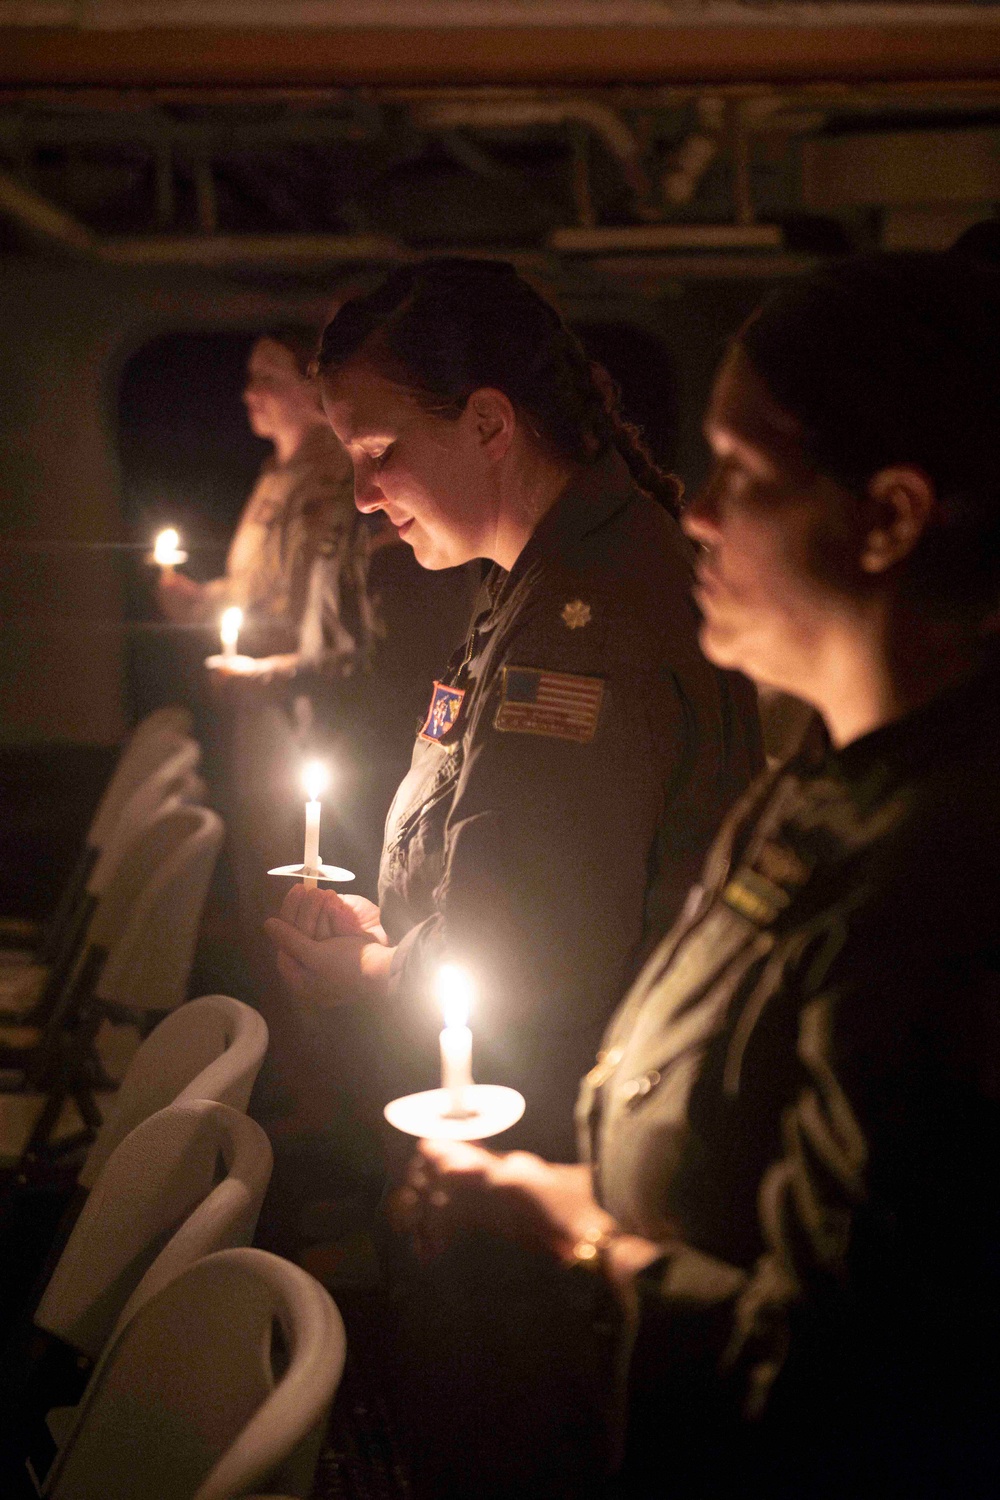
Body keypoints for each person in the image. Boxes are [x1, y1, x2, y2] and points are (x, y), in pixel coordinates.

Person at [401, 253, 1000, 1498]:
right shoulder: (826, 778)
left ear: (887, 518)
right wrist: (564, 1192)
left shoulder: (946, 877)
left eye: (744, 471)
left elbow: (851, 1373)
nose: (702, 513)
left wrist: (575, 1253)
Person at [264, 257, 761, 1160]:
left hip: (551, 1131)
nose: (366, 496)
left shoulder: (582, 621)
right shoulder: (536, 581)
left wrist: (374, 972)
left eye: (381, 453)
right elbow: (516, 870)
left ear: (490, 424)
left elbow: (538, 948)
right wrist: (397, 930)